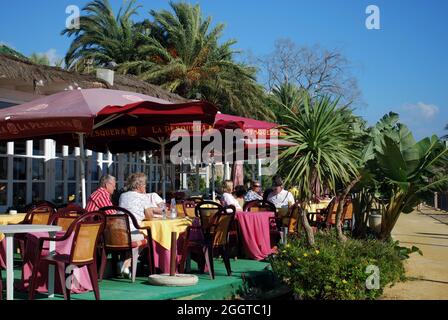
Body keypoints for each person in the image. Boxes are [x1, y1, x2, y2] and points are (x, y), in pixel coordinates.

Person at [118, 173, 164, 276]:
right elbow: (149, 216)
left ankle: (124, 263)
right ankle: (127, 263)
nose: (145, 187)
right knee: (150, 238)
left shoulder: (122, 196)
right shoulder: (143, 198)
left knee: (138, 236)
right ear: (139, 186)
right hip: (132, 233)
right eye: (144, 184)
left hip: (120, 232)